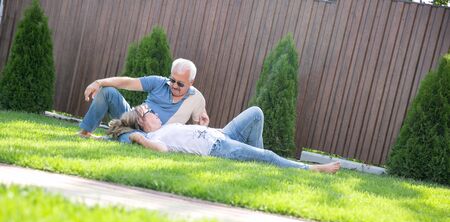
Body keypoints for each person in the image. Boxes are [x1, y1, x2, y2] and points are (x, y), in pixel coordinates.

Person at [107, 104, 341, 173]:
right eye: (150, 113)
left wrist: (203, 127)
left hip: (220, 134)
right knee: (267, 155)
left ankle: (259, 165)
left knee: (256, 113)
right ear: (141, 122)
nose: (156, 114)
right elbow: (161, 151)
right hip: (218, 147)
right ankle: (310, 169)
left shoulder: (164, 128)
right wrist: (139, 138)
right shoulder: (153, 137)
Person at [78, 58, 209, 141]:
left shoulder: (196, 99)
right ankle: (85, 132)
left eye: (180, 84)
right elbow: (128, 82)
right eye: (172, 80)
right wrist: (99, 82)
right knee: (107, 91)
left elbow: (198, 128)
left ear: (191, 82)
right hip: (134, 119)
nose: (174, 85)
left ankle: (112, 138)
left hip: (152, 136)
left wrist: (204, 126)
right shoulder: (158, 82)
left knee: (135, 139)